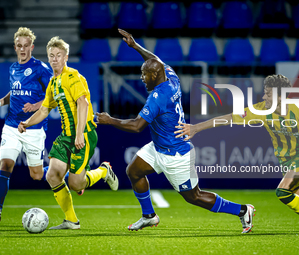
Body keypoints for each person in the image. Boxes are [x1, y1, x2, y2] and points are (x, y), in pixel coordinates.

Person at [96, 29, 255, 233]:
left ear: (154, 75)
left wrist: (109, 120)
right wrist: (135, 46)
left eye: (144, 74)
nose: (142, 78)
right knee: (134, 171)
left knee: (194, 197)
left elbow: (137, 126)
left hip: (176, 153)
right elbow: (155, 60)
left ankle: (243, 211)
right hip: (160, 146)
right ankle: (149, 216)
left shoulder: (158, 97)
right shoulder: (170, 76)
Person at [175, 74, 299, 234]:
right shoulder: (260, 110)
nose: (264, 96)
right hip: (285, 158)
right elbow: (229, 118)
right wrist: (196, 128)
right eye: (265, 92)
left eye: (268, 94)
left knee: (282, 191)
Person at [18, 36, 119, 230]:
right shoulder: (53, 83)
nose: (55, 59)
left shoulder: (73, 76)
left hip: (84, 134)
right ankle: (71, 220)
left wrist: (79, 134)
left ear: (66, 57)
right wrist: (27, 123)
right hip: (66, 136)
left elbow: (83, 103)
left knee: (76, 184)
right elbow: (44, 110)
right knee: (53, 175)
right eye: (51, 56)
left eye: (58, 55)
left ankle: (104, 170)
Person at [0, 27, 53, 221]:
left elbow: (53, 95)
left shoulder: (41, 68)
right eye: (19, 46)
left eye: (26, 46)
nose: (23, 50)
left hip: (33, 127)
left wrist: (36, 105)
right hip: (12, 126)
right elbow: (14, 92)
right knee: (5, 165)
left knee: (37, 175)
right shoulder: (13, 68)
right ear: (15, 47)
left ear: (32, 47)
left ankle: (63, 174)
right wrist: (2, 101)